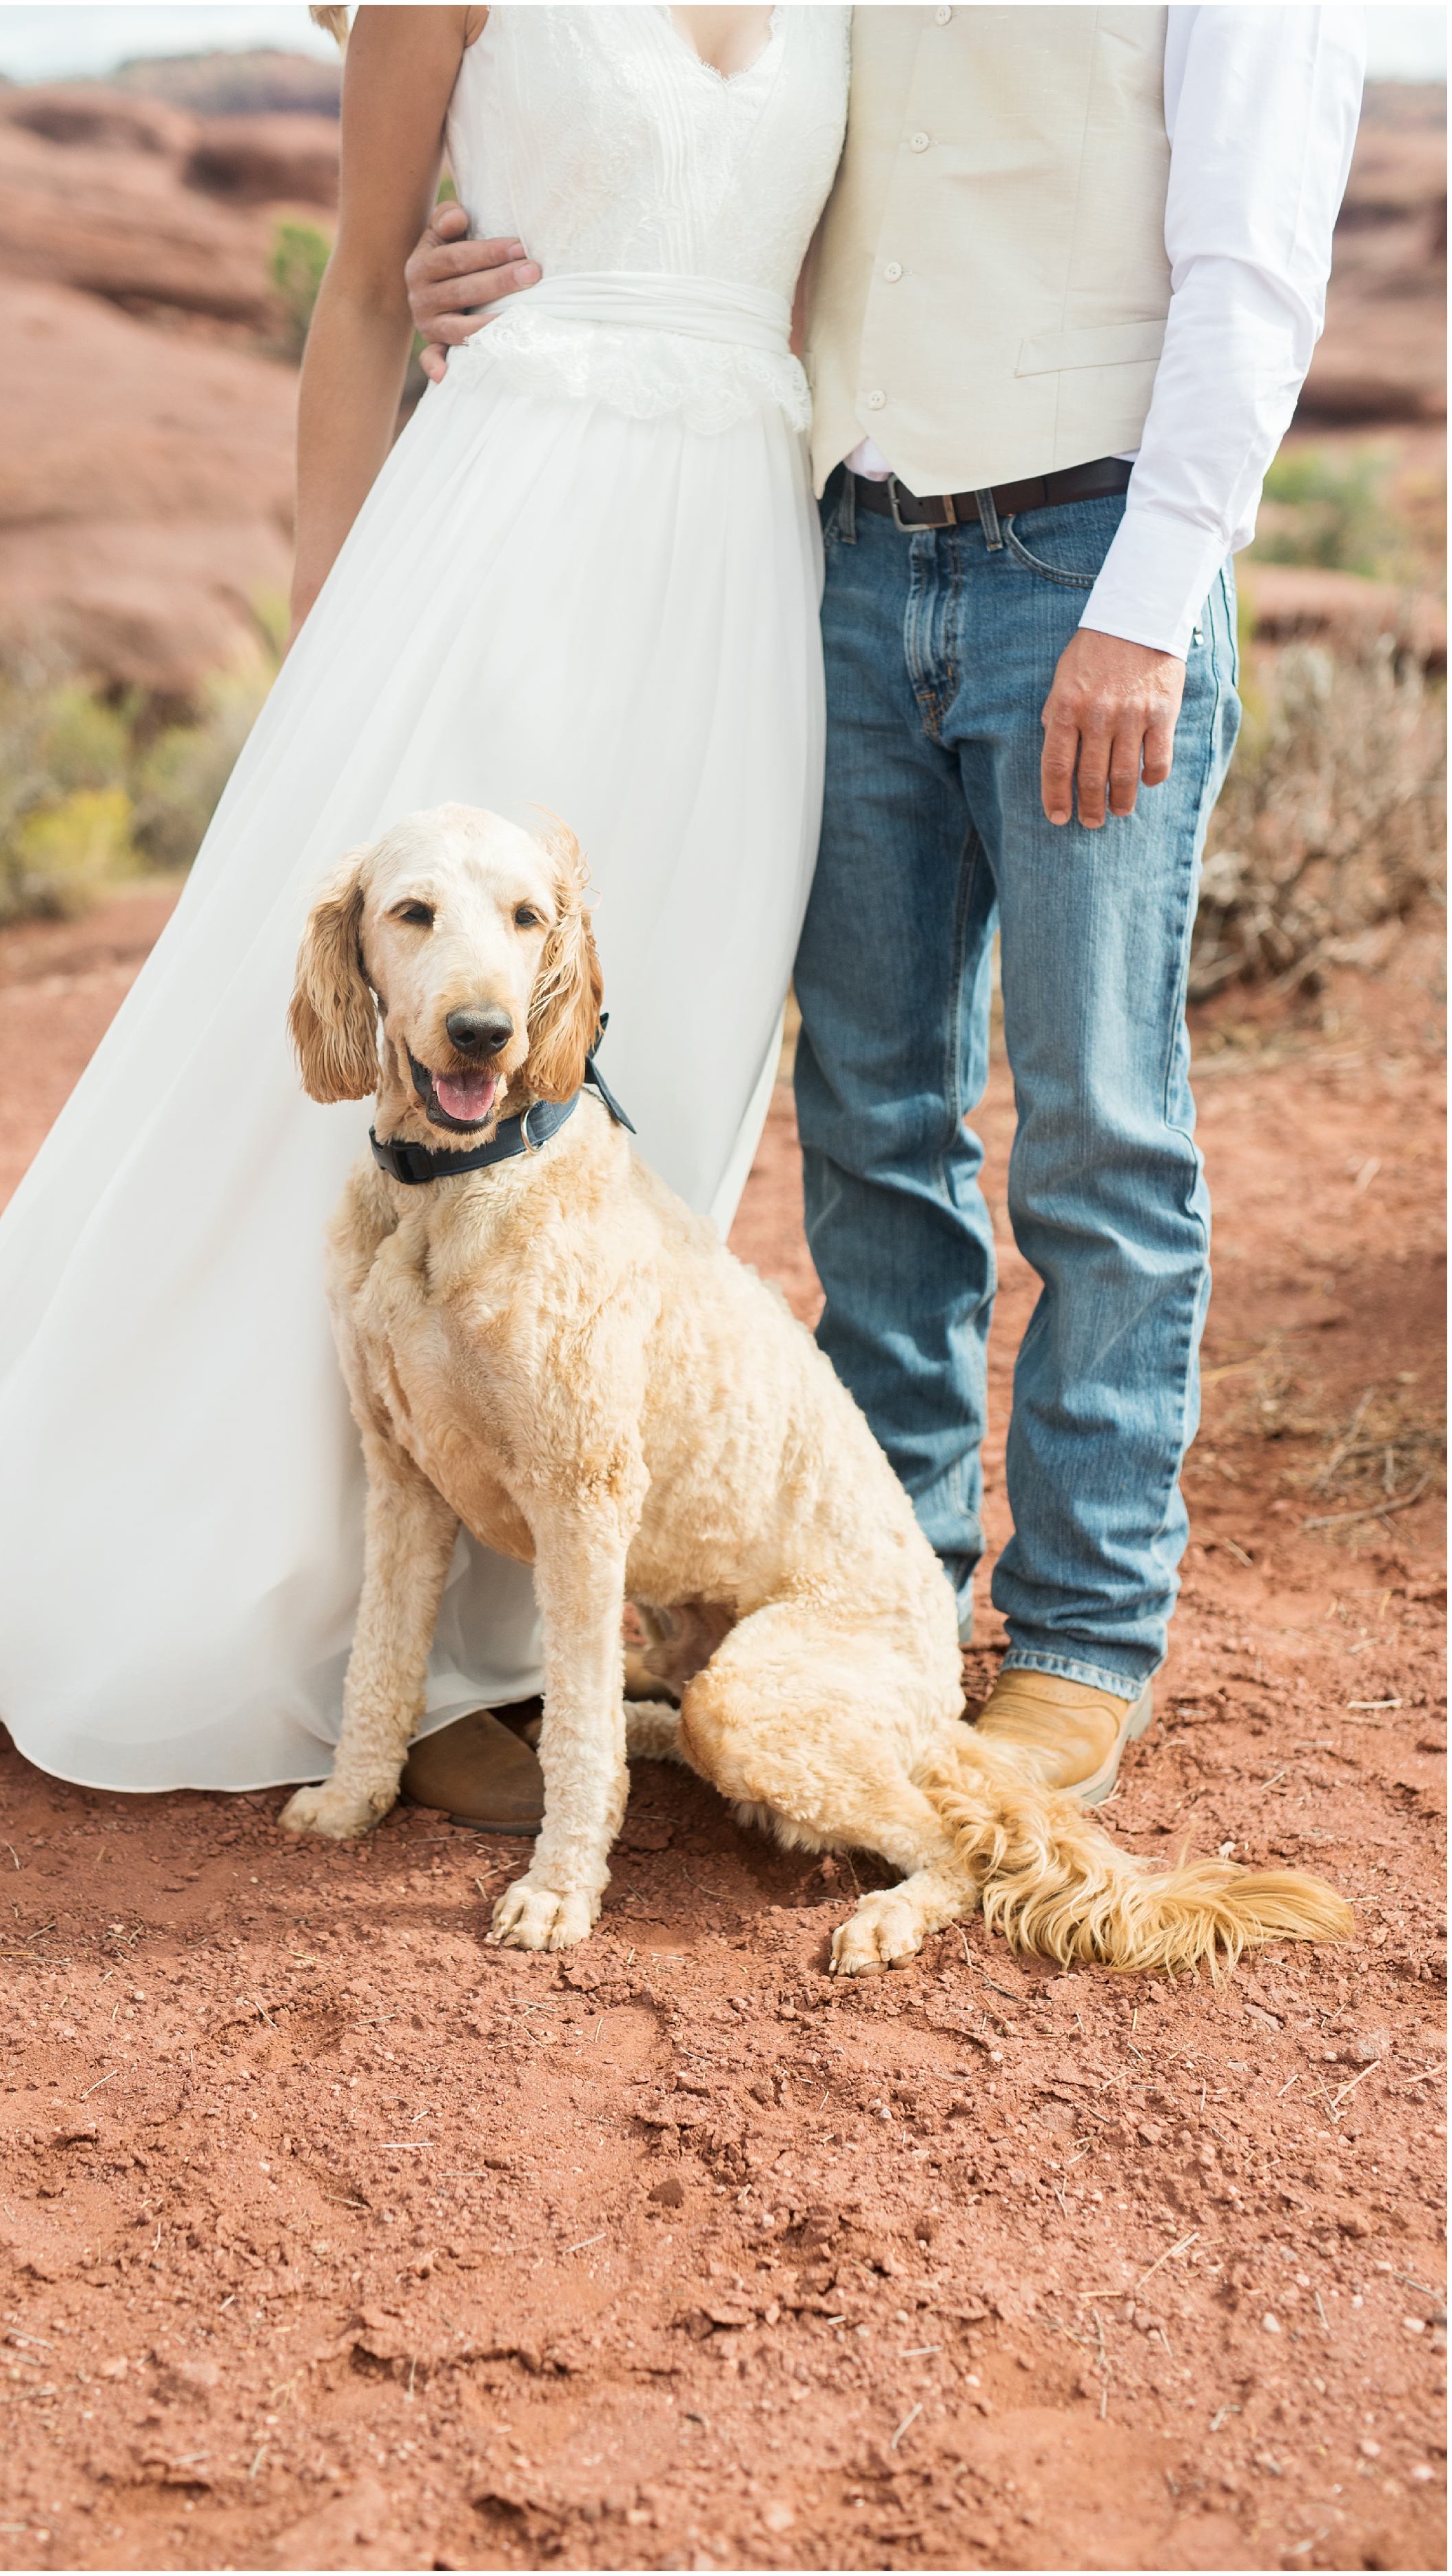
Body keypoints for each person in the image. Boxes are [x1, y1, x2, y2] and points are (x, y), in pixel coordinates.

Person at [0, 6, 852, 1834]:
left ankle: (508, 1616)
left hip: (738, 579)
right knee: (361, 1102)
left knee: (647, 1082)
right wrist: (335, 645)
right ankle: (342, 1634)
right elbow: (353, 303)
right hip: (500, 548)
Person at [410, 4, 1365, 1808]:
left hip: (1081, 566)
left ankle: (1082, 1637)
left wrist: (1146, 607)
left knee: (1093, 1125)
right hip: (843, 560)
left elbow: (1252, 277)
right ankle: (890, 1588)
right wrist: (468, 260)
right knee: (868, 1120)